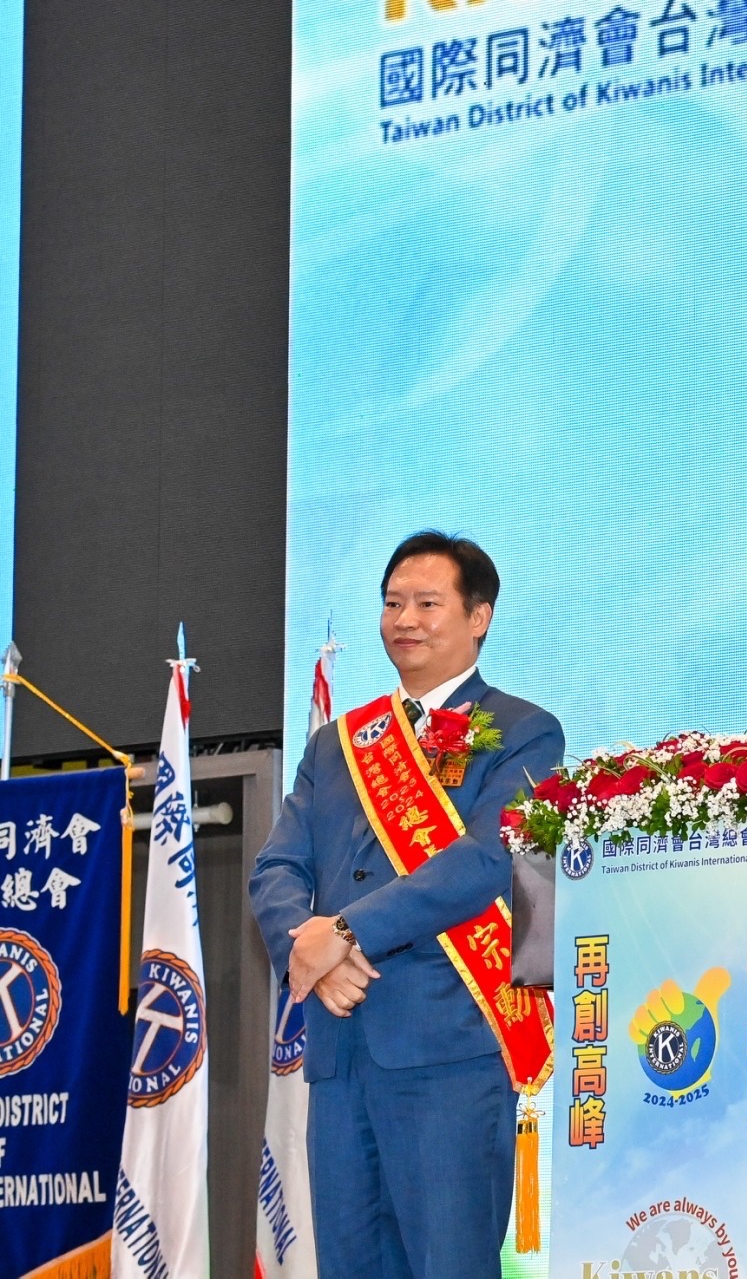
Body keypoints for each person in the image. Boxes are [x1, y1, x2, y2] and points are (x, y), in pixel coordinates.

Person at [250, 532, 565, 1279]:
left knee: (448, 1262)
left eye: (427, 603)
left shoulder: (525, 731)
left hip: (447, 1049)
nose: (405, 620)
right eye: (393, 603)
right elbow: (277, 866)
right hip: (339, 1051)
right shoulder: (337, 744)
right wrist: (309, 949)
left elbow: (486, 860)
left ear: (479, 616)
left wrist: (347, 931)